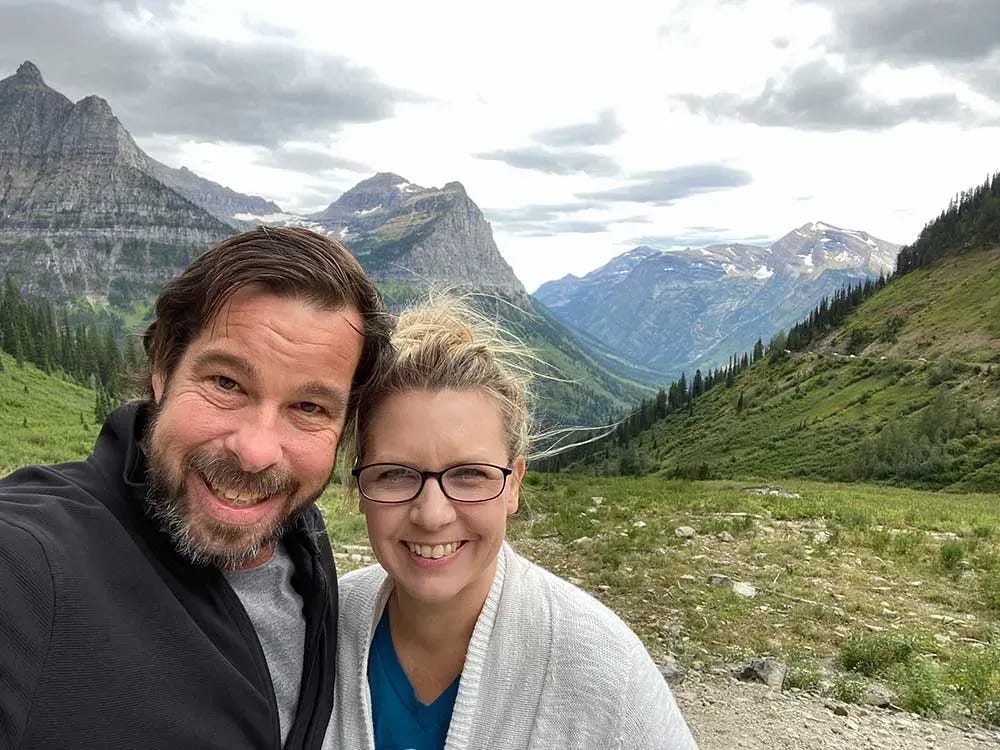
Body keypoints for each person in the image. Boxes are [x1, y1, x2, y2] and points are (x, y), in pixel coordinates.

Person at [0, 227, 392, 750]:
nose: (256, 451)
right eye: (226, 383)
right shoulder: (30, 564)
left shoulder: (303, 539)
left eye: (309, 408)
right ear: (164, 365)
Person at [331, 296, 698, 749]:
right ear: (358, 488)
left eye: (469, 475)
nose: (431, 514)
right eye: (394, 474)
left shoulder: (603, 668)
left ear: (513, 485)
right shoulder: (320, 630)